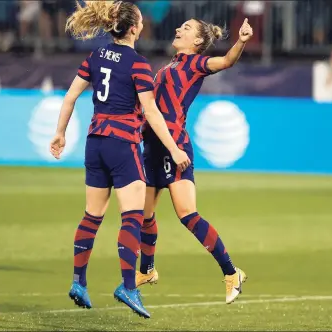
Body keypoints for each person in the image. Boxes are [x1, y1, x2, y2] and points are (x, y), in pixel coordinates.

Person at [50, 0, 190, 319]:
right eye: (139, 20)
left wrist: (59, 133)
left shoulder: (95, 56)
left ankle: (79, 282)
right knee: (132, 216)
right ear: (133, 28)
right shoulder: (138, 64)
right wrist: (174, 148)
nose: (142, 24)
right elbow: (151, 112)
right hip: (122, 143)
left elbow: (70, 96)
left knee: (92, 215)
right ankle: (128, 286)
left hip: (94, 142)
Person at [136, 18, 253, 305]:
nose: (179, 29)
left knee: (187, 214)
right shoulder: (167, 67)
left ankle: (231, 273)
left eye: (187, 28)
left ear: (198, 42)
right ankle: (147, 271)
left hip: (173, 146)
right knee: (143, 215)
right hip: (151, 146)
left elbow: (226, 61)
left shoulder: (195, 64)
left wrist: (242, 41)